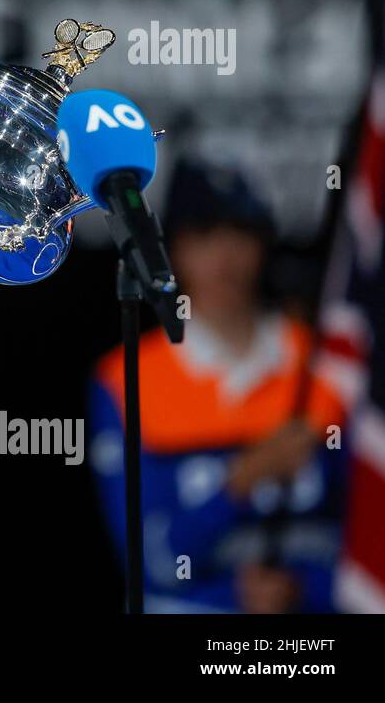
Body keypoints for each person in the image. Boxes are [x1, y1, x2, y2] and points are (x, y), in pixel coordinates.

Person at [89, 160, 348, 612]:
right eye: (204, 235)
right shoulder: (127, 376)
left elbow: (364, 536)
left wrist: (304, 587)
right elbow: (149, 558)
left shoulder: (328, 365)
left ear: (263, 245)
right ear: (174, 251)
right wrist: (240, 482)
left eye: (241, 232)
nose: (226, 255)